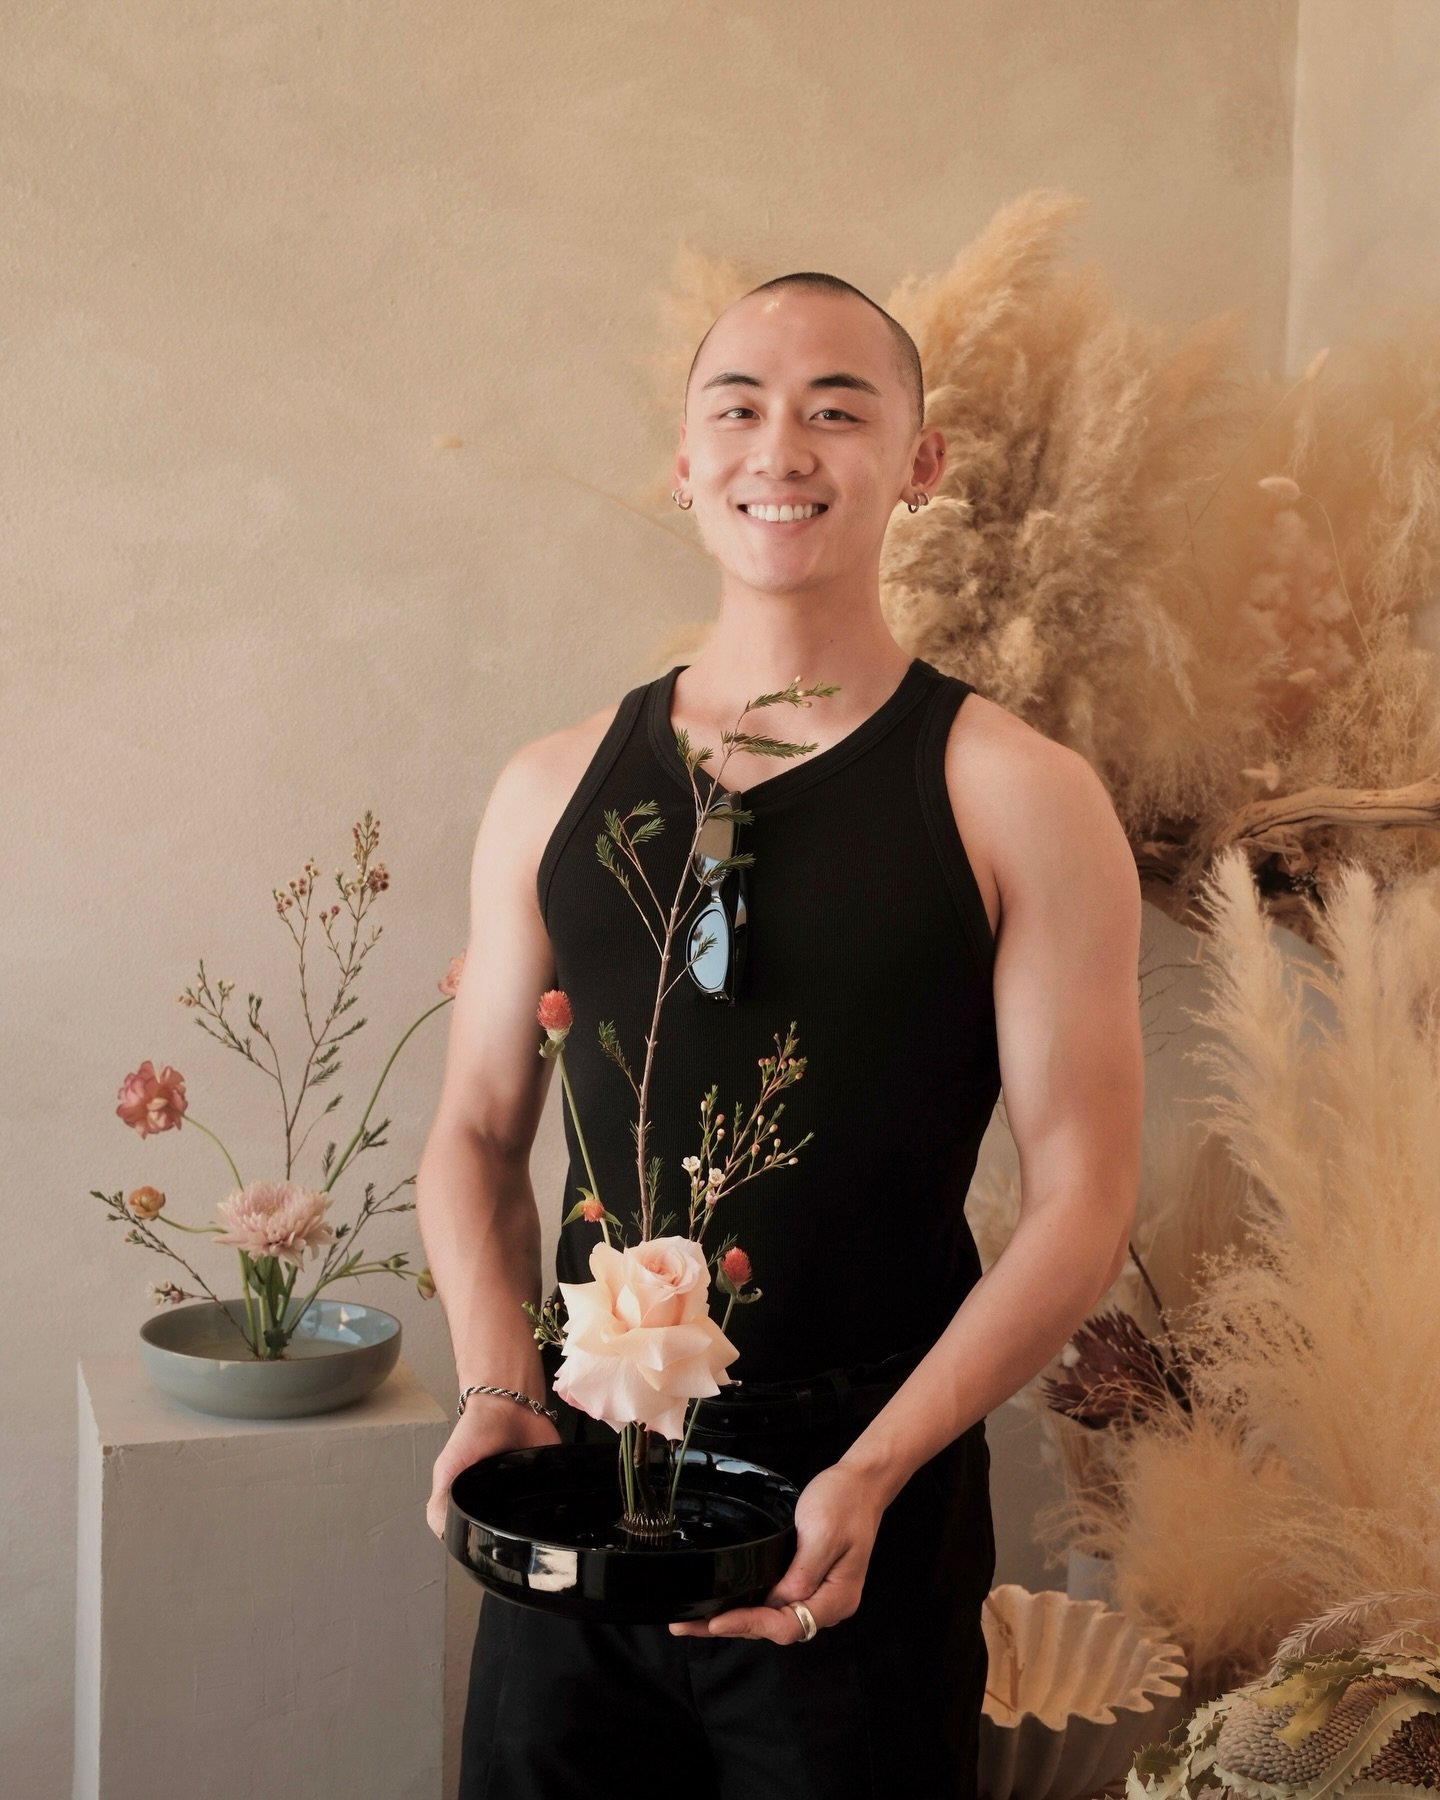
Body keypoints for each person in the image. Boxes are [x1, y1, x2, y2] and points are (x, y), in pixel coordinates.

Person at [416, 271, 1144, 1798]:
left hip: (865, 1502)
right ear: (682, 461)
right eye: (737, 407)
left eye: (837, 408)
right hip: (580, 1476)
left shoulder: (1017, 792)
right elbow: (478, 1135)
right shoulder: (552, 787)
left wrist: (876, 1469)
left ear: (920, 462)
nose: (780, 448)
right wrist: (498, 1389)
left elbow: (1080, 1201)